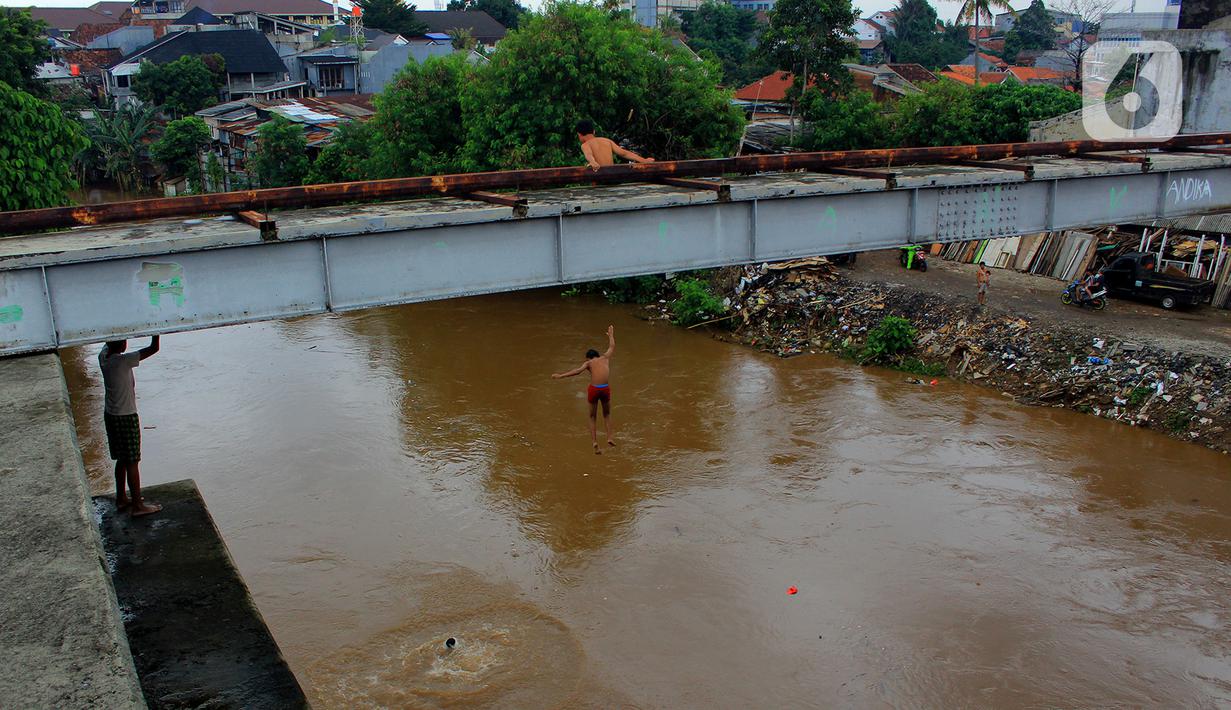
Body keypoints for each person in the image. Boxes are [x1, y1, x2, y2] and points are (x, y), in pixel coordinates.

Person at [99, 336, 161, 517]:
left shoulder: (103, 356)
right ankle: (137, 506)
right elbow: (153, 348)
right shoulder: (123, 361)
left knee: (122, 459)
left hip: (111, 414)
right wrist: (155, 332)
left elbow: (107, 342)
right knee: (133, 461)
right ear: (122, 344)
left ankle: (121, 498)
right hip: (126, 416)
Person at [552, 325, 616, 454]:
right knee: (607, 414)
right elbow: (612, 347)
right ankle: (609, 437)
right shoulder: (605, 358)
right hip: (605, 389)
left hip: (594, 389)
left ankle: (594, 442)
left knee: (592, 417)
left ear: (588, 358)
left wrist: (560, 376)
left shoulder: (588, 363)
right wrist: (611, 335)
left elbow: (577, 372)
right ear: (597, 355)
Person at [576, 120, 654, 170]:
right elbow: (624, 153)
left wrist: (592, 162)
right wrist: (644, 160)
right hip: (612, 175)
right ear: (594, 132)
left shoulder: (585, 145)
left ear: (579, 134)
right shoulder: (607, 141)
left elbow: (588, 154)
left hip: (600, 178)